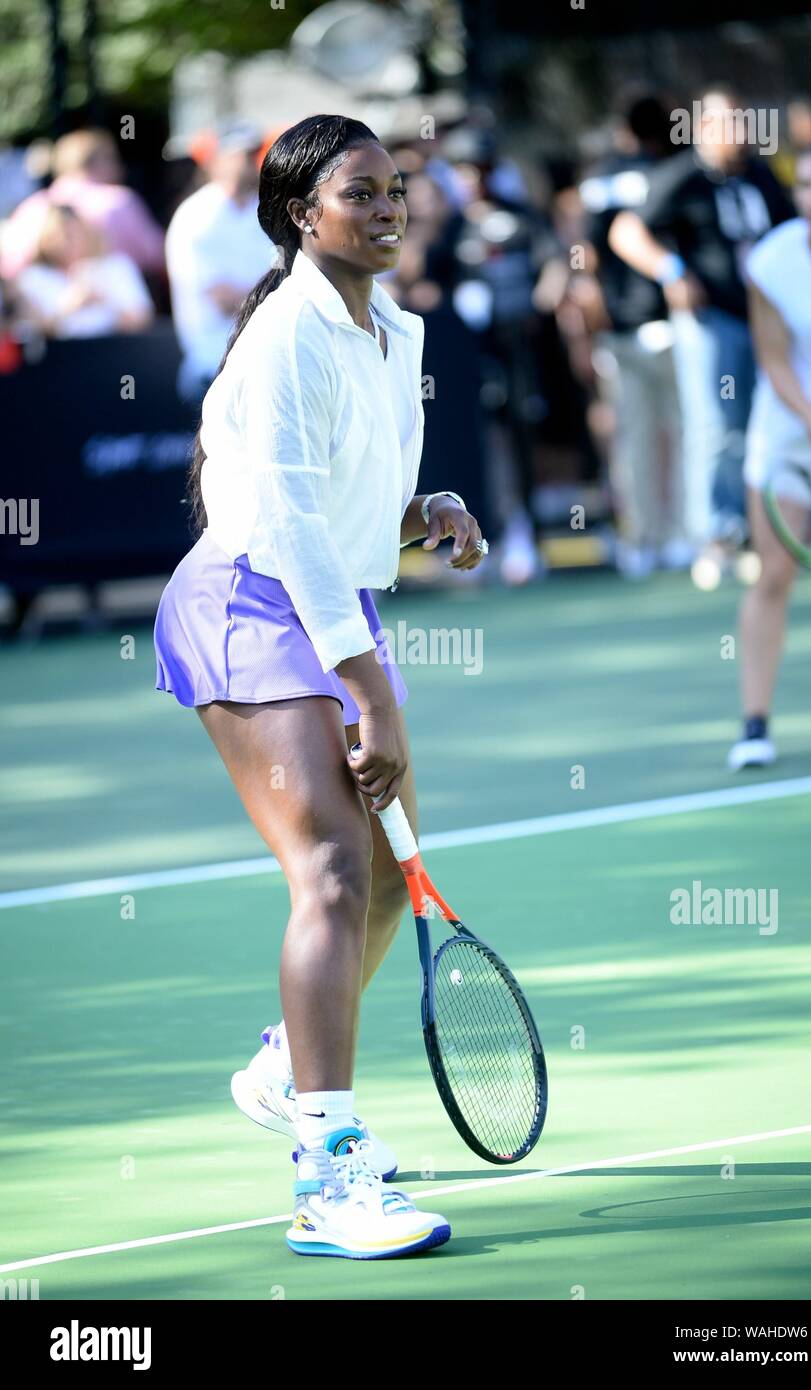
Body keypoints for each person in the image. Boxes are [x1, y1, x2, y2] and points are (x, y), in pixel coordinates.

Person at [153, 114, 489, 1259]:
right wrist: (374, 696)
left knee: (395, 880)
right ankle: (326, 1177)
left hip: (329, 607)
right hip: (251, 605)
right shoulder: (287, 330)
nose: (391, 207)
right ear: (305, 214)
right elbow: (288, 522)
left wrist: (421, 510)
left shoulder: (396, 326)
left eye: (397, 188)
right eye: (362, 192)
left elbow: (348, 506)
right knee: (337, 871)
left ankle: (281, 1069)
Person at [609, 87, 794, 584]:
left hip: (768, 319)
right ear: (704, 127)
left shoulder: (761, 175)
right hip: (714, 321)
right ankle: (717, 535)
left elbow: (791, 234)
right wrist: (672, 271)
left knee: (772, 424)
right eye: (726, 121)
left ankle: (772, 530)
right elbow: (625, 232)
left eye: (742, 120)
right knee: (718, 427)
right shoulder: (682, 177)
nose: (738, 131)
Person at [728, 136, 811, 770]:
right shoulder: (774, 261)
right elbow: (774, 360)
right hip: (790, 423)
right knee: (774, 572)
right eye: (804, 185)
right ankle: (755, 726)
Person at [579, 94, 688, 578]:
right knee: (682, 436)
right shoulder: (680, 172)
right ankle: (680, 536)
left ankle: (642, 540)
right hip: (668, 322)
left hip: (622, 329)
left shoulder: (602, 177)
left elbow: (585, 254)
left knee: (636, 441)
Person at [164, 123, 275, 403]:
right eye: (240, 154)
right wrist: (275, 300)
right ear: (217, 160)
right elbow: (222, 298)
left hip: (265, 366)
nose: (249, 162)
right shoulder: (195, 215)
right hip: (213, 367)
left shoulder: (265, 211)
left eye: (253, 154)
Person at [0, 129, 165, 281]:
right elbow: (160, 257)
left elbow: (9, 269)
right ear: (100, 162)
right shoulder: (119, 201)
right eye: (114, 159)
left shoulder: (30, 209)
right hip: (115, 307)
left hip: (39, 309)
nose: (120, 168)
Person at [14, 203, 154, 338]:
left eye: (75, 233)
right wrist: (68, 307)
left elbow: (142, 320)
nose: (68, 242)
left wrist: (102, 301)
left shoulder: (116, 266)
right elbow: (31, 331)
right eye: (60, 235)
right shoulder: (32, 278)